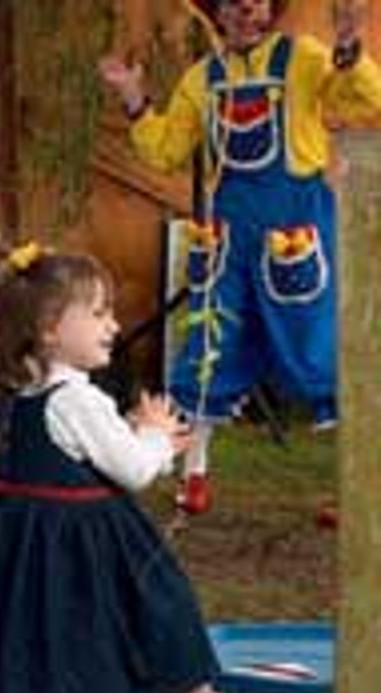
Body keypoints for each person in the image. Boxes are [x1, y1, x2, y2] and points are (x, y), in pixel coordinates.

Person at [0, 242, 253, 693]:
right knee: (161, 601)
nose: (113, 323)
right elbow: (131, 470)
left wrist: (130, 432)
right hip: (85, 536)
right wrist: (153, 437)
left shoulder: (25, 390)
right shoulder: (79, 398)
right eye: (99, 311)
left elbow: (74, 452)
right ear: (49, 328)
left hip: (18, 535)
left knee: (26, 614)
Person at [99, 0, 381, 515]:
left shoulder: (304, 59)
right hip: (229, 236)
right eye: (234, 4)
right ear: (219, 14)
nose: (246, 12)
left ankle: (359, 490)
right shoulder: (202, 78)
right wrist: (134, 98)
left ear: (270, 10)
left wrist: (347, 48)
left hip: (294, 233)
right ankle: (194, 479)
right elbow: (165, 150)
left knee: (321, 357)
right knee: (208, 348)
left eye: (257, 3)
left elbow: (364, 98)